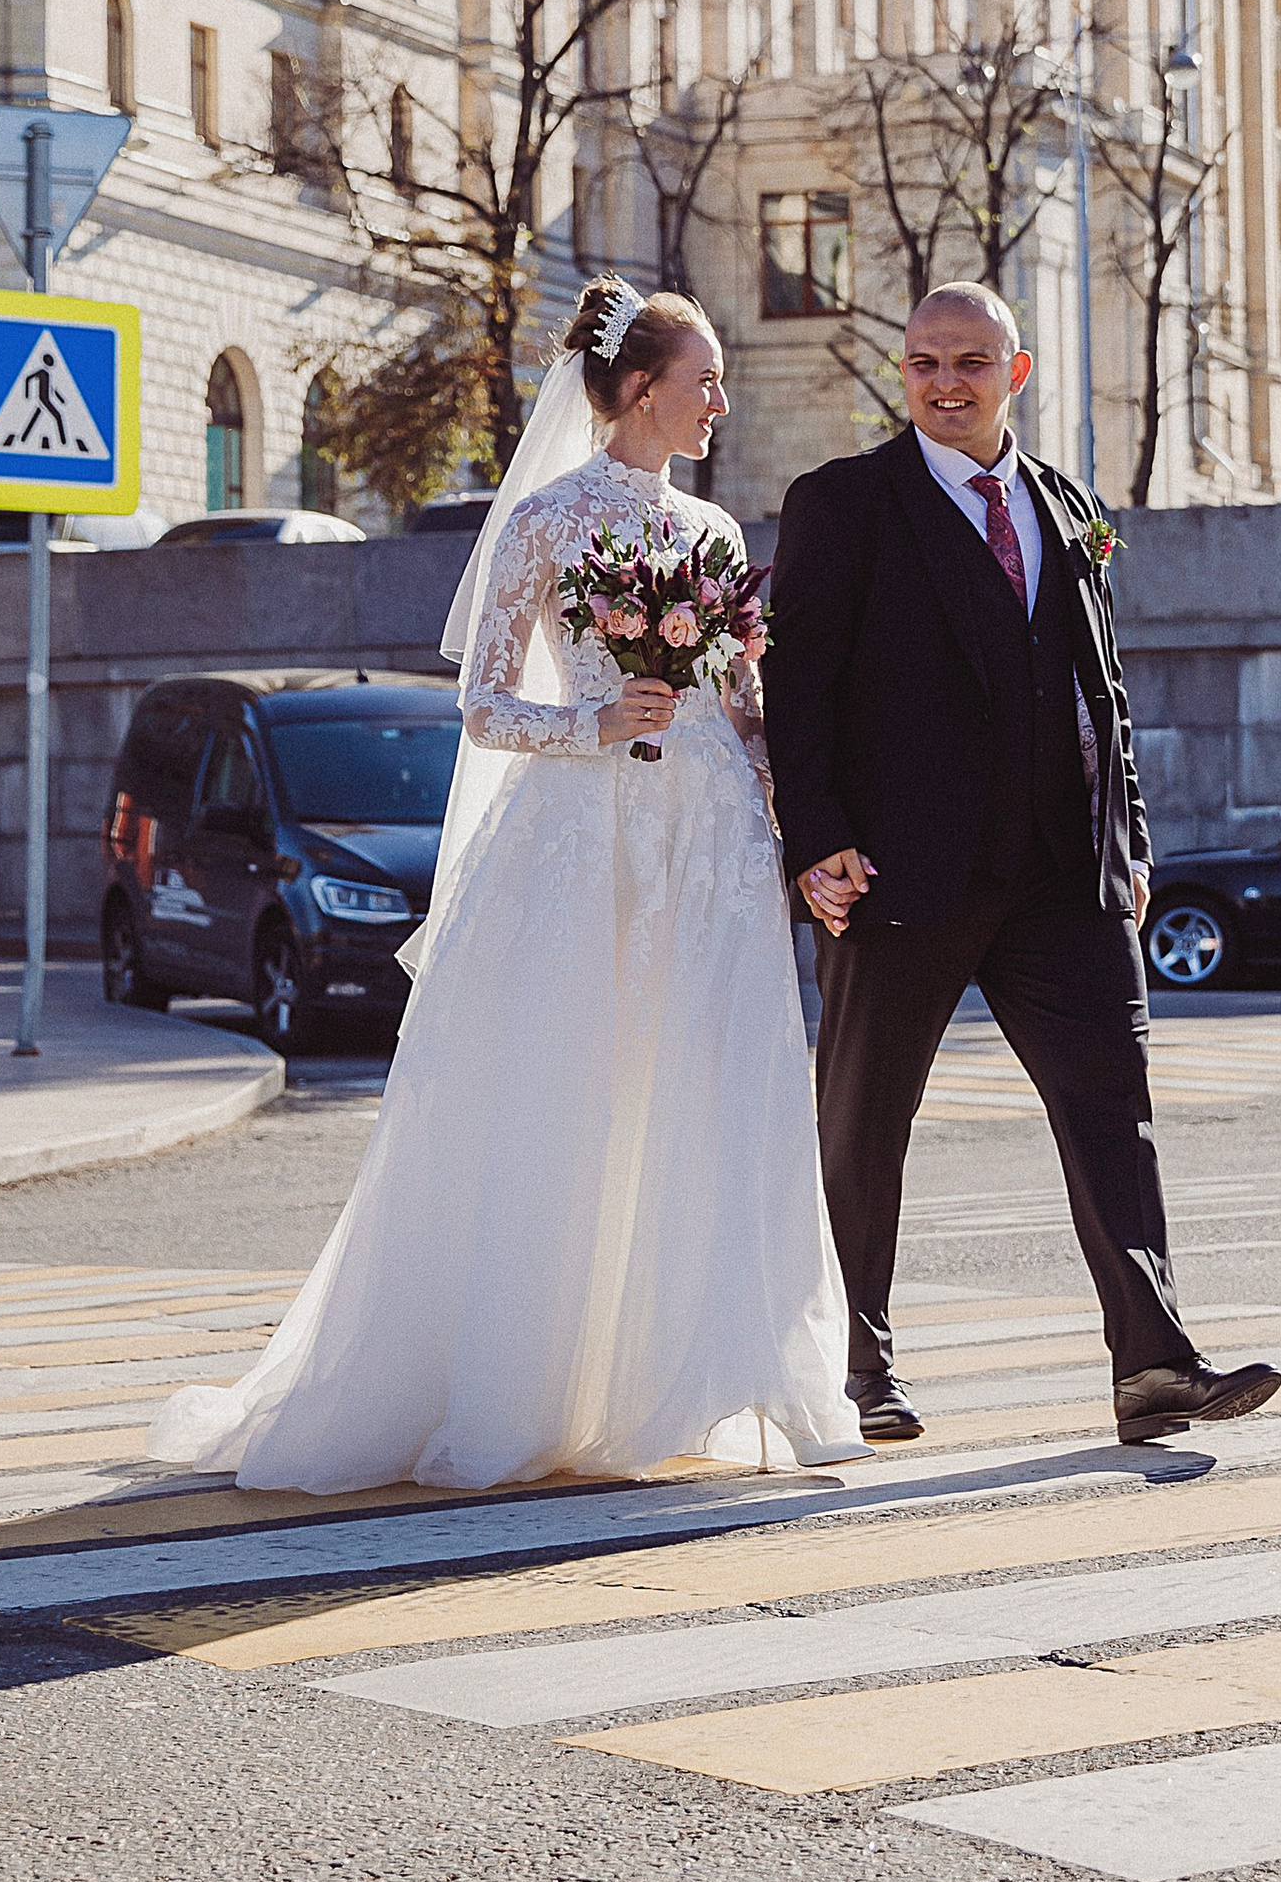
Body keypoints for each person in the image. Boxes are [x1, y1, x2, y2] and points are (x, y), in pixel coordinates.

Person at [150, 278, 862, 1495]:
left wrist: (790, 807)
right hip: (584, 830)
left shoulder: (717, 537)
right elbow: (481, 707)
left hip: (710, 845)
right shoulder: (544, 521)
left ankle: (699, 1379)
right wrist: (596, 716)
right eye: (703, 380)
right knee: (561, 1091)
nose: (720, 402)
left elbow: (746, 713)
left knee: (712, 1086)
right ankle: (529, 1384)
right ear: (639, 388)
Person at [764, 279, 1281, 1451]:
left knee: (1113, 1111)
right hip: (896, 877)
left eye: (968, 364)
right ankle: (858, 1373)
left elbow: (1106, 691)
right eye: (923, 365)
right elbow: (797, 689)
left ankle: (1151, 1366)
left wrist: (1130, 838)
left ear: (1018, 372)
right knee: (863, 1123)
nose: (945, 384)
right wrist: (817, 840)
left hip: (1064, 877)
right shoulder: (843, 504)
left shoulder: (1066, 504)